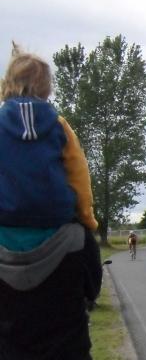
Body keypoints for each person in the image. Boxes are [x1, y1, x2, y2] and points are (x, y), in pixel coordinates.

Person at [0, 43, 98, 239]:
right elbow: (79, 175)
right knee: (90, 253)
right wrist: (87, 219)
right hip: (57, 220)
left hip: (6, 220)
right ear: (47, 88)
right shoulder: (59, 126)